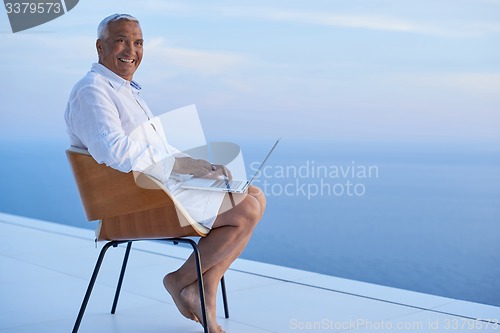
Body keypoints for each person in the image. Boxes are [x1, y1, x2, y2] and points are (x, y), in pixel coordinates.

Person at [64, 13, 266, 333]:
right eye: (121, 40)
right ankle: (182, 281)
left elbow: (156, 150)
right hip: (131, 204)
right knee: (246, 208)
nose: (131, 49)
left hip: (152, 189)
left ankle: (205, 283)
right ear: (99, 46)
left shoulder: (126, 91)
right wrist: (183, 168)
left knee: (255, 195)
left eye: (138, 42)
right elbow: (113, 151)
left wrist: (200, 166)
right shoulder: (93, 90)